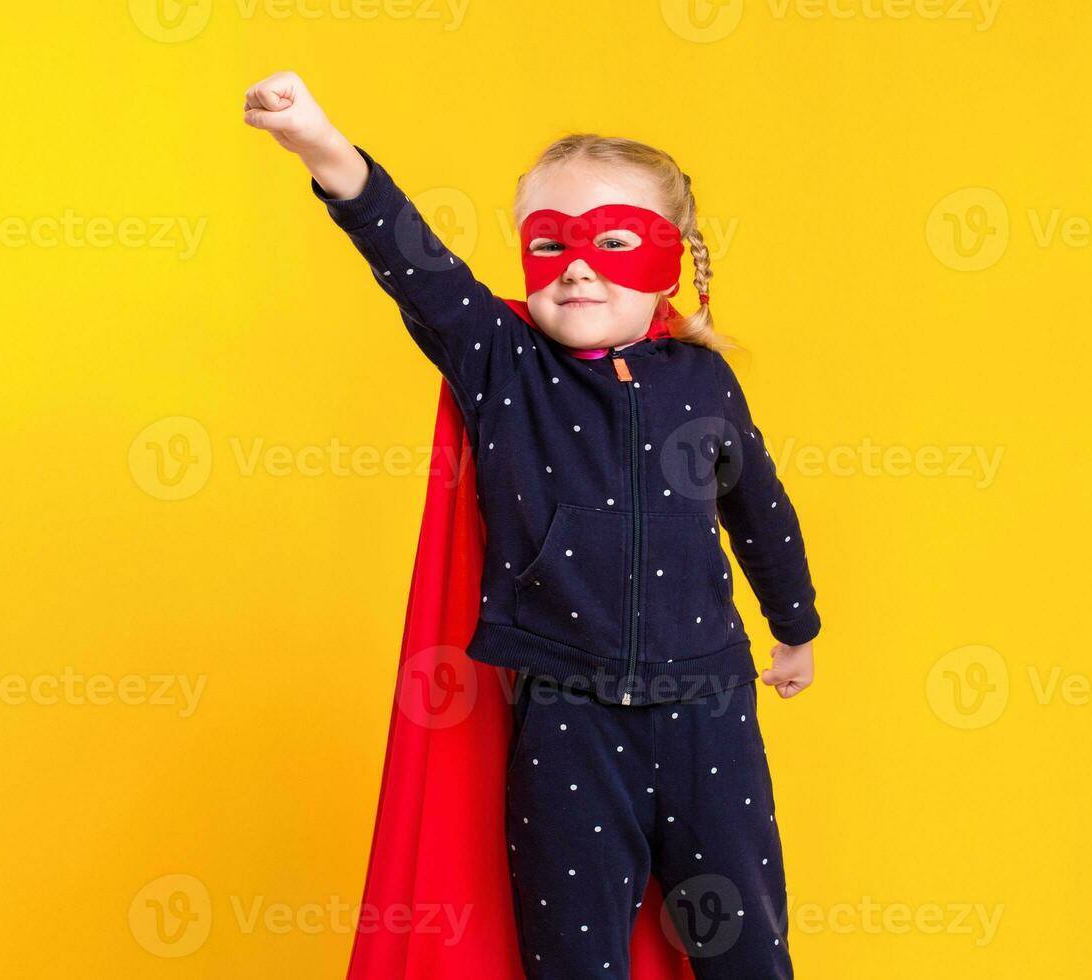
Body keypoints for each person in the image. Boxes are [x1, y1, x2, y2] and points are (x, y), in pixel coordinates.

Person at [246, 70, 822, 980]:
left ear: (671, 258)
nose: (580, 265)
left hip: (709, 713)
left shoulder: (704, 383)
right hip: (567, 716)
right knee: (572, 952)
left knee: (744, 944)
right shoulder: (503, 364)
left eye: (616, 240)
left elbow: (761, 509)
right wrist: (322, 146)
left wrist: (796, 630)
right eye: (550, 244)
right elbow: (415, 262)